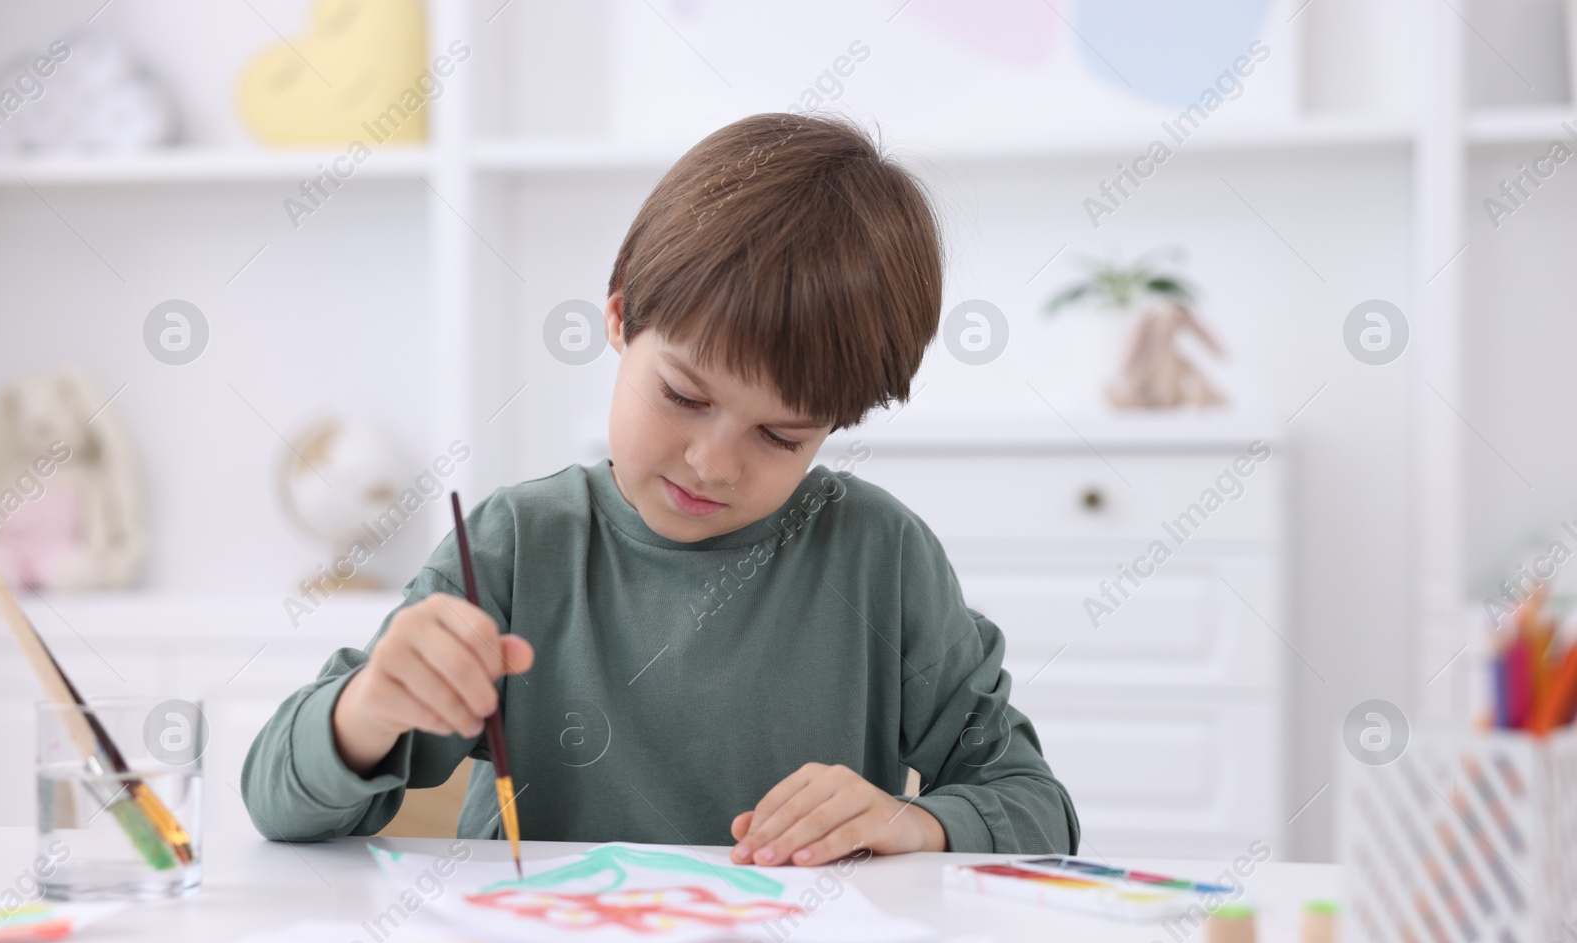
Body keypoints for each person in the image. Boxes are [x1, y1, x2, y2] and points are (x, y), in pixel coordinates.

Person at [241, 112, 1079, 866]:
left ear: (835, 426)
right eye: (683, 396)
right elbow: (275, 802)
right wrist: (364, 711)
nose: (714, 463)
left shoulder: (882, 558)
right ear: (618, 319)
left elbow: (1036, 805)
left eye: (780, 436)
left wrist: (913, 821)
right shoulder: (514, 547)